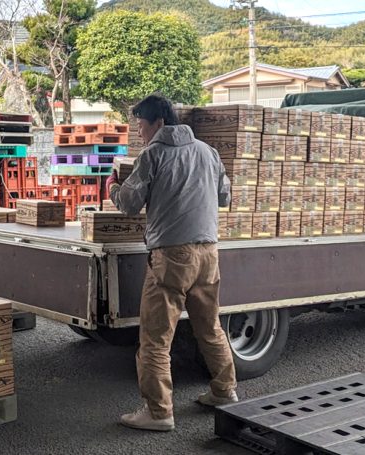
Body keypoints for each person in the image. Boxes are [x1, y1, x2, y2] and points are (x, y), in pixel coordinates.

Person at [107, 94, 237, 432]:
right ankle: (225, 391)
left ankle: (159, 412)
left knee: (155, 339)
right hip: (209, 253)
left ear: (158, 123)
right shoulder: (209, 153)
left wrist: (112, 186)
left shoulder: (153, 155)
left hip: (171, 257)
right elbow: (225, 196)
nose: (139, 133)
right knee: (210, 328)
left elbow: (129, 204)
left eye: (141, 125)